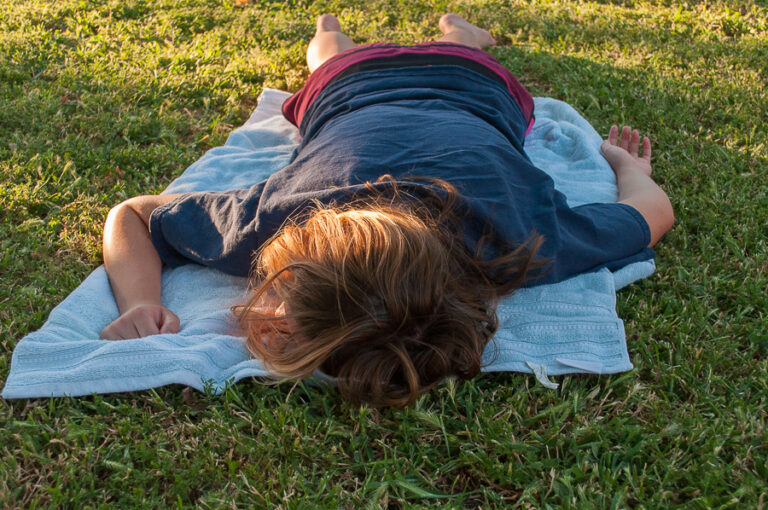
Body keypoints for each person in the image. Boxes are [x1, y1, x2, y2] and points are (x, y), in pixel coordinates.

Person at [99, 14, 674, 407]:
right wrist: (628, 167)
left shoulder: (519, 236)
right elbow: (134, 214)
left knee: (337, 57)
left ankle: (395, 31)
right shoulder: (279, 217)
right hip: (401, 85)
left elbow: (650, 213)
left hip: (457, 83)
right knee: (330, 59)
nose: (263, 312)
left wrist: (631, 174)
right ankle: (390, 30)